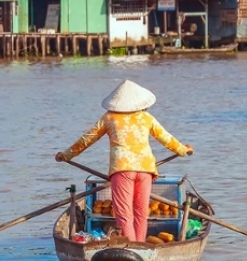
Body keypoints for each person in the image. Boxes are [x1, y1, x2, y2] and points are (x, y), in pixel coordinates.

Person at [55, 80, 192, 243]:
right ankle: (140, 246)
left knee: (124, 213)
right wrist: (184, 150)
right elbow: (166, 138)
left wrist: (66, 155)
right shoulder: (146, 118)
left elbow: (87, 139)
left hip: (122, 169)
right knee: (141, 212)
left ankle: (131, 246)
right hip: (145, 168)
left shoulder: (109, 118)